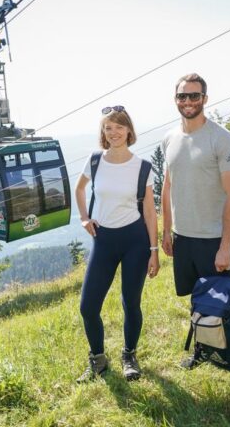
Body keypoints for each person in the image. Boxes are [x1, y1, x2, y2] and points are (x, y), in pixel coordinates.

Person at [160, 73, 230, 413]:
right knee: (200, 301)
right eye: (182, 96)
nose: (188, 101)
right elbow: (168, 186)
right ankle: (204, 351)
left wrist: (225, 246)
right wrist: (166, 230)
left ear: (205, 97)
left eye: (194, 96)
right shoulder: (169, 139)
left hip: (215, 240)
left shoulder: (222, 139)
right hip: (184, 240)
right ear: (175, 99)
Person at [74, 105, 160, 383]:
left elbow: (149, 212)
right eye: (108, 127)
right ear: (103, 132)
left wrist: (154, 251)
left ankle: (129, 355)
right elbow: (79, 189)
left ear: (129, 130)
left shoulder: (142, 167)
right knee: (88, 307)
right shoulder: (95, 161)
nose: (113, 132)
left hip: (135, 241)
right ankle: (98, 359)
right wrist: (84, 218)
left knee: (130, 303)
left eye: (119, 127)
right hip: (104, 240)